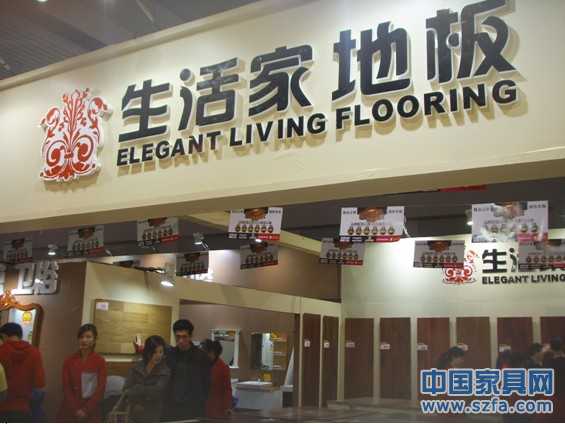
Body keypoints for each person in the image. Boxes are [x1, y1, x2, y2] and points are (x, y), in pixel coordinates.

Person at [57, 323, 107, 422]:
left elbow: (100, 389)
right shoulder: (69, 361)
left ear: (95, 340)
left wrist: (86, 410)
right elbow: (66, 387)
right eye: (81, 337)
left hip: (91, 411)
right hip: (70, 409)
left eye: (88, 337)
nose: (84, 340)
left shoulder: (100, 361)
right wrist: (75, 409)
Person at [164, 319, 210, 421]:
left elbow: (206, 384)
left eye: (184, 336)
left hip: (193, 408)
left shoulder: (201, 357)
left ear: (190, 336)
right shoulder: (169, 355)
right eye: (178, 337)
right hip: (171, 407)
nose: (181, 340)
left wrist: (200, 405)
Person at [0, 322, 45, 422]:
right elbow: (40, 383)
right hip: (24, 407)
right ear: (20, 335)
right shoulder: (34, 352)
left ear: (4, 336)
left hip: (2, 406)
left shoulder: (1, 351)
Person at [123, 335, 170, 422]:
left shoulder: (165, 371)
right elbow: (126, 390)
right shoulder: (136, 367)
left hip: (153, 414)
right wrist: (136, 403)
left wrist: (139, 388)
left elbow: (158, 391)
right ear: (148, 352)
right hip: (133, 413)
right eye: (155, 352)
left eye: (161, 352)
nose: (158, 355)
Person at [201, 339, 232, 419]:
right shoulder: (201, 364)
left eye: (205, 353)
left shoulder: (223, 368)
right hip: (201, 407)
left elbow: (227, 389)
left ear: (212, 353)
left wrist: (227, 407)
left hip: (216, 409)